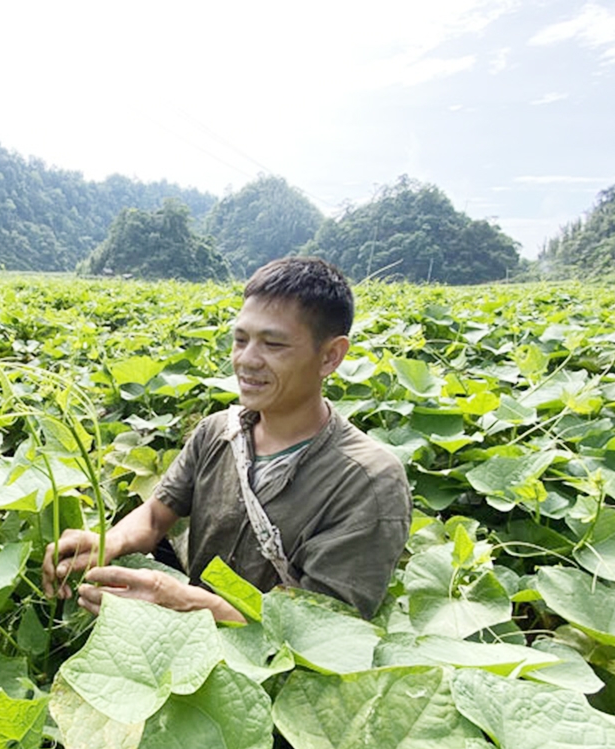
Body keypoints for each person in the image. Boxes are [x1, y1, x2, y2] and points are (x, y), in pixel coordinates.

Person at [42, 256, 411, 622]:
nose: (247, 360)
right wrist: (109, 543)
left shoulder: (369, 481)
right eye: (240, 339)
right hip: (186, 646)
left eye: (273, 345)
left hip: (277, 676)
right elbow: (156, 516)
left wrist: (186, 604)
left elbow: (323, 632)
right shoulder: (218, 432)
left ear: (330, 355)